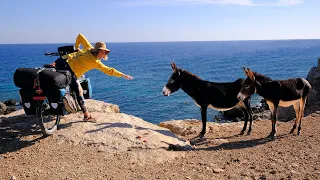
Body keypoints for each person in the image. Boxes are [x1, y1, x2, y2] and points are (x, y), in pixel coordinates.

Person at [55, 33, 133, 122]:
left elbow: (80, 36)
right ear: (97, 50)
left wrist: (76, 48)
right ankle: (86, 116)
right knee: (79, 90)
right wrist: (123, 75)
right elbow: (109, 70)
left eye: (105, 52)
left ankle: (60, 108)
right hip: (68, 69)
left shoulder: (88, 48)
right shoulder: (96, 62)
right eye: (102, 51)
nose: (103, 54)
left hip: (60, 61)